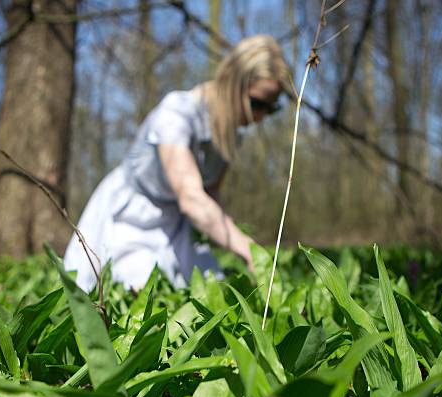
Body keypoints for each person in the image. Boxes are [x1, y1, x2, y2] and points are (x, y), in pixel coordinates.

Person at [64, 34, 292, 291]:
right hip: (133, 217)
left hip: (177, 224)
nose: (260, 117)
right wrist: (248, 248)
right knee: (141, 292)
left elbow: (210, 193)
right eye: (257, 103)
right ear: (232, 82)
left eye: (270, 109)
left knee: (214, 290)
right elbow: (191, 198)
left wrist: (231, 239)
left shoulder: (231, 135)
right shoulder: (177, 113)